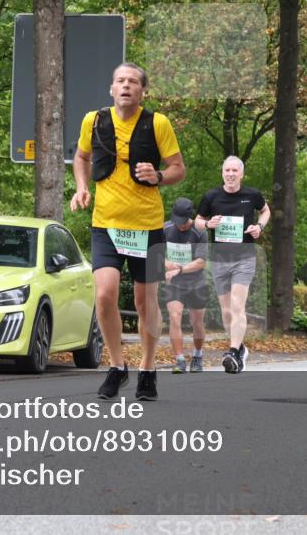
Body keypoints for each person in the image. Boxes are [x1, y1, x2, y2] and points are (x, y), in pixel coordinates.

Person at [71, 63, 185, 401]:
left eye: (133, 82)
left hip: (146, 227)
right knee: (105, 294)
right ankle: (117, 366)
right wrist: (81, 187)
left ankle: (147, 369)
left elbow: (178, 168)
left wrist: (159, 176)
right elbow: (81, 157)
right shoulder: (93, 121)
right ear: (111, 89)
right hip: (106, 224)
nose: (126, 86)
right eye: (120, 81)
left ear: (142, 91)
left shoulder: (158, 123)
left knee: (145, 301)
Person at [195, 156, 270, 374]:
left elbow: (265, 211)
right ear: (222, 173)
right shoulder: (211, 196)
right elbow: (197, 221)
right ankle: (240, 348)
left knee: (237, 305)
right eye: (227, 170)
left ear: (241, 174)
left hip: (244, 258)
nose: (230, 174)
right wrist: (208, 224)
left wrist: (259, 227)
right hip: (219, 260)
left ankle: (233, 351)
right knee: (226, 312)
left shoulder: (252, 195)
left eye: (234, 171)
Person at [162, 197, 209, 373]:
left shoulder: (200, 231)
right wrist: (166, 263)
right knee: (175, 316)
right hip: (174, 283)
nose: (180, 225)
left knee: (197, 322)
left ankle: (197, 355)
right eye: (177, 221)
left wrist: (180, 269)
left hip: (196, 282)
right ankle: (180, 360)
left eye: (183, 222)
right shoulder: (166, 228)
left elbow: (201, 262)